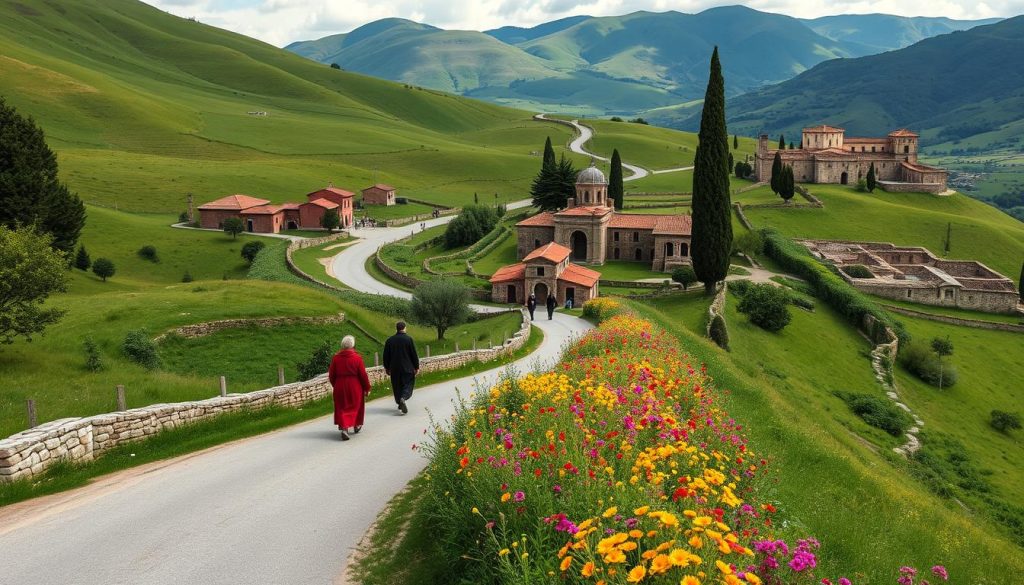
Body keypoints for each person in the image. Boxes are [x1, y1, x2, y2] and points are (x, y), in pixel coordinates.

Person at [327, 335, 371, 441]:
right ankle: (356, 424)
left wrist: (335, 385)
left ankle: (345, 428)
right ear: (353, 345)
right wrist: (367, 388)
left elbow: (331, 375)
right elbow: (363, 375)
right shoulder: (357, 358)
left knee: (342, 407)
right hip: (354, 385)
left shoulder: (336, 358)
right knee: (356, 406)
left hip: (339, 385)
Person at [382, 321, 419, 414]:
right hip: (408, 367)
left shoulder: (390, 340)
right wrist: (416, 366)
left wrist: (387, 367)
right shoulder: (408, 339)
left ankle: (399, 402)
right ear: (404, 328)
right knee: (408, 384)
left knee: (397, 386)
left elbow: (386, 355)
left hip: (394, 368)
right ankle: (403, 398)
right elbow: (413, 354)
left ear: (397, 328)